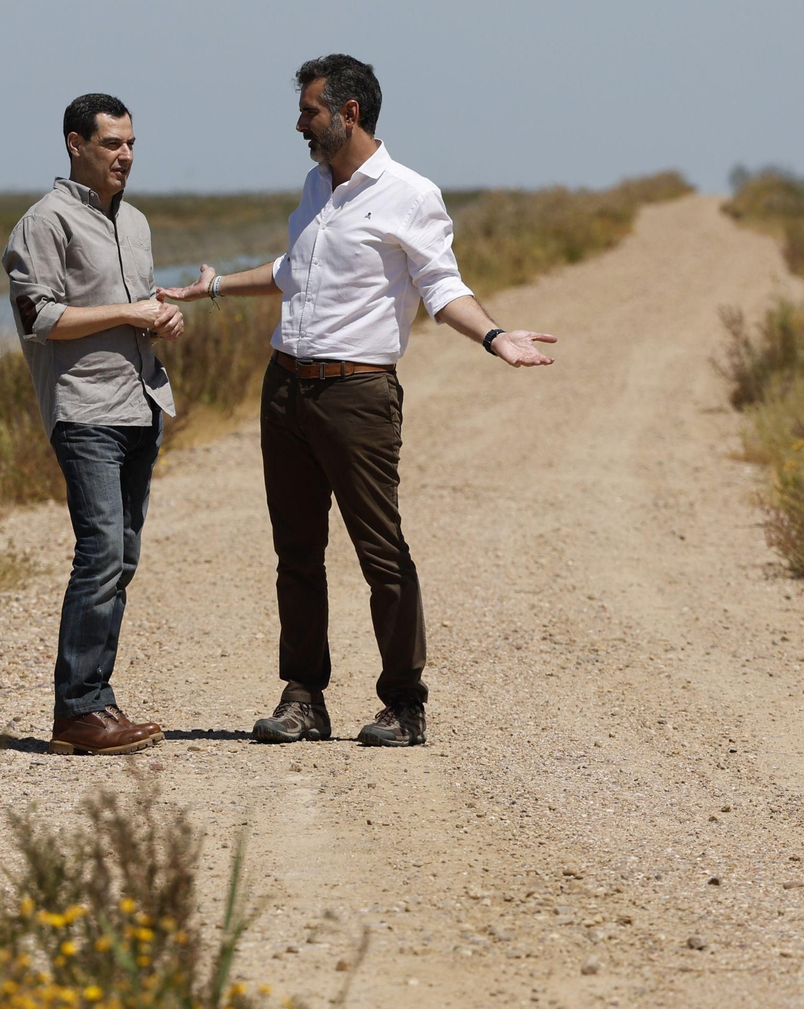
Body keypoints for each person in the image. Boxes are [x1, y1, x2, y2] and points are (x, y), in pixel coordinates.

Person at [160, 55, 557, 748]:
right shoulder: (316, 186)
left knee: (381, 552)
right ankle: (303, 699)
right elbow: (295, 272)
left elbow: (441, 287)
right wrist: (216, 287)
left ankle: (405, 705)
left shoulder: (409, 193)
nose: (299, 122)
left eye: (310, 110)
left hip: (357, 393)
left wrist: (493, 335)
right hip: (286, 388)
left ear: (349, 113)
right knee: (296, 554)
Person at [3, 93, 182, 755]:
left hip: (141, 405)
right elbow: (40, 320)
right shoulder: (43, 223)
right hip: (84, 412)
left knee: (122, 557)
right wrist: (129, 314)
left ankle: (94, 706)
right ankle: (78, 711)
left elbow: (140, 306)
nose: (125, 157)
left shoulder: (133, 222)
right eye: (111, 145)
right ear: (76, 144)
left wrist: (162, 318)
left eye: (131, 144)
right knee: (101, 552)